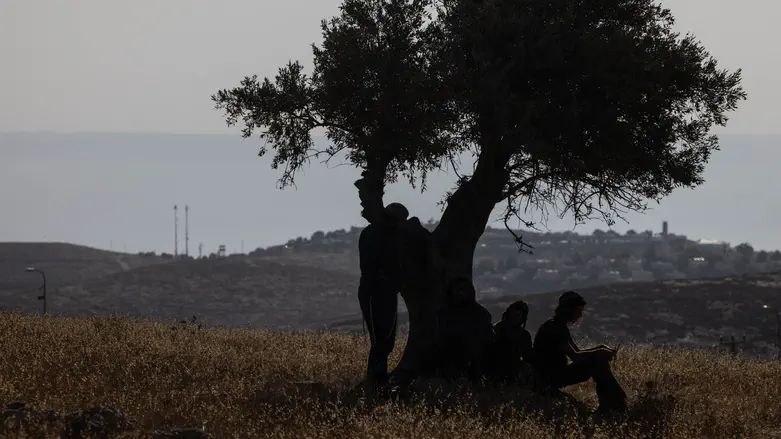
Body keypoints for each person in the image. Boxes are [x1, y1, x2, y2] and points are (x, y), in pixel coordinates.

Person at [533, 291, 628, 413]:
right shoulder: (554, 328)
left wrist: (601, 348)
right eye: (578, 311)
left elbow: (577, 352)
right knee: (598, 362)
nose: (580, 315)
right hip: (550, 377)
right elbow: (575, 356)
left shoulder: (557, 325)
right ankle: (614, 404)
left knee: (598, 360)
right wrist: (600, 351)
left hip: (554, 374)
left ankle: (614, 402)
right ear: (568, 310)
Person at [358, 202, 409, 397]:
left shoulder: (383, 233)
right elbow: (370, 266)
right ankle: (375, 382)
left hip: (384, 290)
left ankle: (377, 381)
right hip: (375, 290)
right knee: (381, 340)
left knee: (385, 340)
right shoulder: (376, 234)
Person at [435, 277, 495, 381]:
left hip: (474, 357)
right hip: (449, 355)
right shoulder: (444, 313)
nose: (461, 293)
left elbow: (487, 338)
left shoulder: (480, 313)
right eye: (458, 290)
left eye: (463, 290)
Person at [490, 300, 537, 384]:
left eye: (517, 315)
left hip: (514, 375)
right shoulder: (496, 330)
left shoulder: (524, 335)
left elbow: (528, 357)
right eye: (512, 314)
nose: (514, 318)